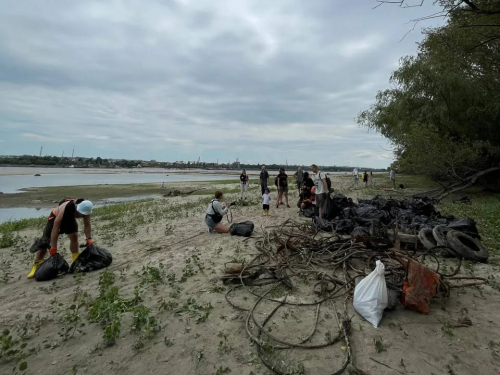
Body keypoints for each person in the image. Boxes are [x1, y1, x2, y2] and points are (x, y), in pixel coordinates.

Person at [27, 198, 93, 279]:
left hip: (70, 218)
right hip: (55, 217)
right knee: (45, 242)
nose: (81, 216)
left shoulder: (86, 207)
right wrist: (53, 248)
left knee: (74, 237)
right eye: (80, 214)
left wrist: (88, 238)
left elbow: (87, 224)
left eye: (83, 215)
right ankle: (35, 265)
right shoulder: (65, 210)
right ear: (77, 208)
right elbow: (55, 229)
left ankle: (75, 260)